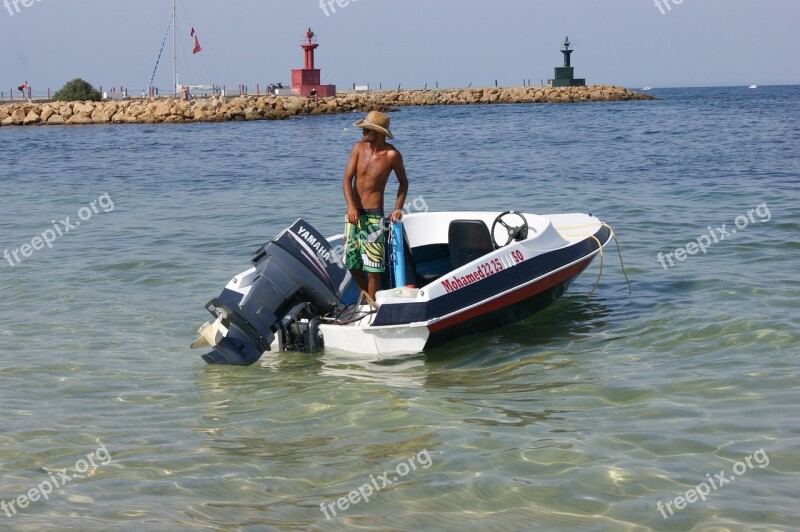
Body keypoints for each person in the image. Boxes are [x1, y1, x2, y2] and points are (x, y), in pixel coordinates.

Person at [342, 111, 409, 301]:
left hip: (373, 216)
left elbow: (403, 182)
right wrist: (351, 206)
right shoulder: (358, 148)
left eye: (366, 129)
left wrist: (398, 208)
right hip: (353, 214)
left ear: (378, 133)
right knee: (352, 264)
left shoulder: (392, 155)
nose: (362, 132)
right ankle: (367, 301)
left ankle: (373, 310)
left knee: (373, 269)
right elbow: (347, 179)